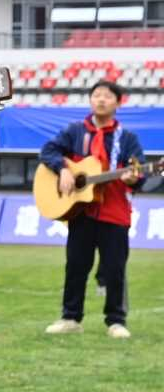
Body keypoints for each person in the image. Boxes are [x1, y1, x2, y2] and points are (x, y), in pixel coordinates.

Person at [41, 78, 145, 339]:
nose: (100, 99)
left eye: (107, 96)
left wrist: (134, 178)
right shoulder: (75, 131)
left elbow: (139, 171)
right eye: (96, 94)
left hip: (115, 212)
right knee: (76, 266)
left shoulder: (127, 138)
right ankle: (70, 317)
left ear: (117, 103)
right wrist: (63, 169)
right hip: (82, 212)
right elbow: (48, 150)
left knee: (114, 269)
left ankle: (116, 321)